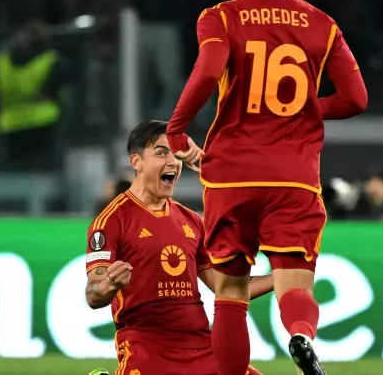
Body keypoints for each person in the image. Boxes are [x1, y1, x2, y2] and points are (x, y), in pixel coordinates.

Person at [165, 0, 367, 373]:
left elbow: (208, 70)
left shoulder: (221, 16)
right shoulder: (322, 24)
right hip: (294, 178)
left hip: (232, 176)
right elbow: (356, 98)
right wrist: (310, 106)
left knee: (230, 293)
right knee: (294, 286)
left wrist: (177, 129)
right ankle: (301, 334)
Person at [84, 120, 272, 375]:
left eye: (176, 154)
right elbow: (94, 293)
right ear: (136, 162)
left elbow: (226, 288)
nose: (172, 162)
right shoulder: (111, 220)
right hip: (148, 348)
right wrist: (108, 285)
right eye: (162, 153)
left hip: (204, 348)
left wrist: (283, 277)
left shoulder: (192, 221)